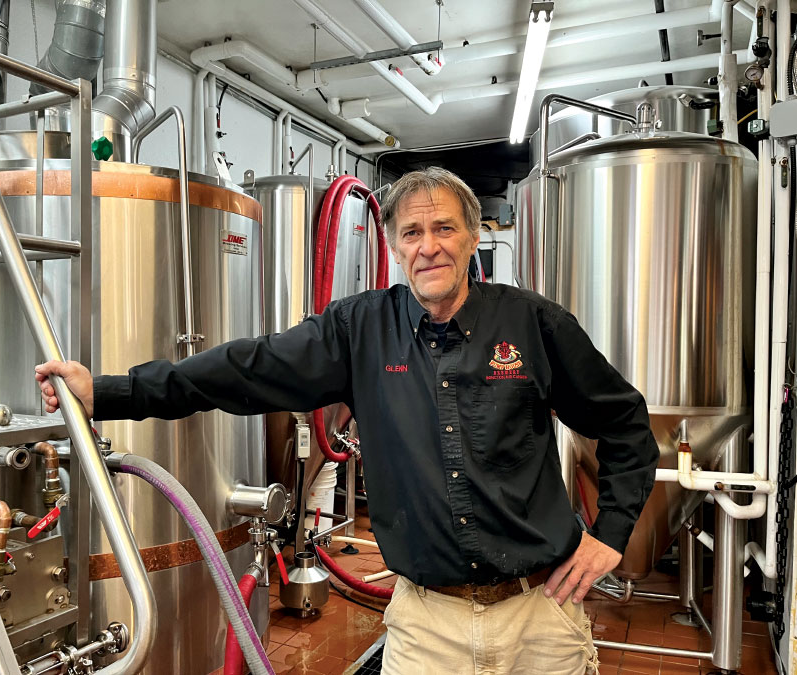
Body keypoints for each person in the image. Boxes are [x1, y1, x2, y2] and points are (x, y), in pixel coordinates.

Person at [36, 167, 659, 675]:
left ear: (474, 236)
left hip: (539, 616)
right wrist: (110, 392)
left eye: (445, 228)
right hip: (426, 628)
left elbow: (626, 423)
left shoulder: (535, 325)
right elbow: (243, 369)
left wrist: (611, 533)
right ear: (393, 246)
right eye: (411, 232)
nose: (428, 245)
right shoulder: (358, 329)